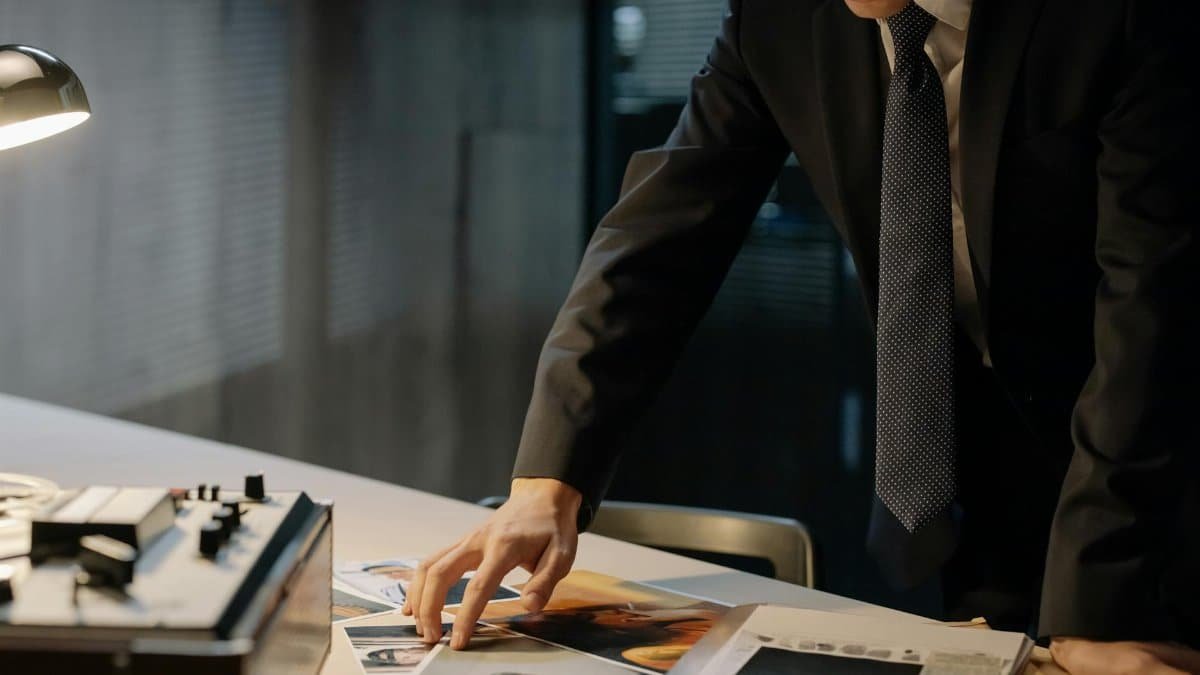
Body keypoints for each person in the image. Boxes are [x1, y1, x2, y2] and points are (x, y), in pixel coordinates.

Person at [403, 0, 1200, 672]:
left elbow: (1152, 310)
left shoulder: (1116, 13)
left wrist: (1105, 596)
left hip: (1162, 488)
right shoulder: (781, 16)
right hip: (986, 480)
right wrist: (548, 481)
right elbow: (656, 242)